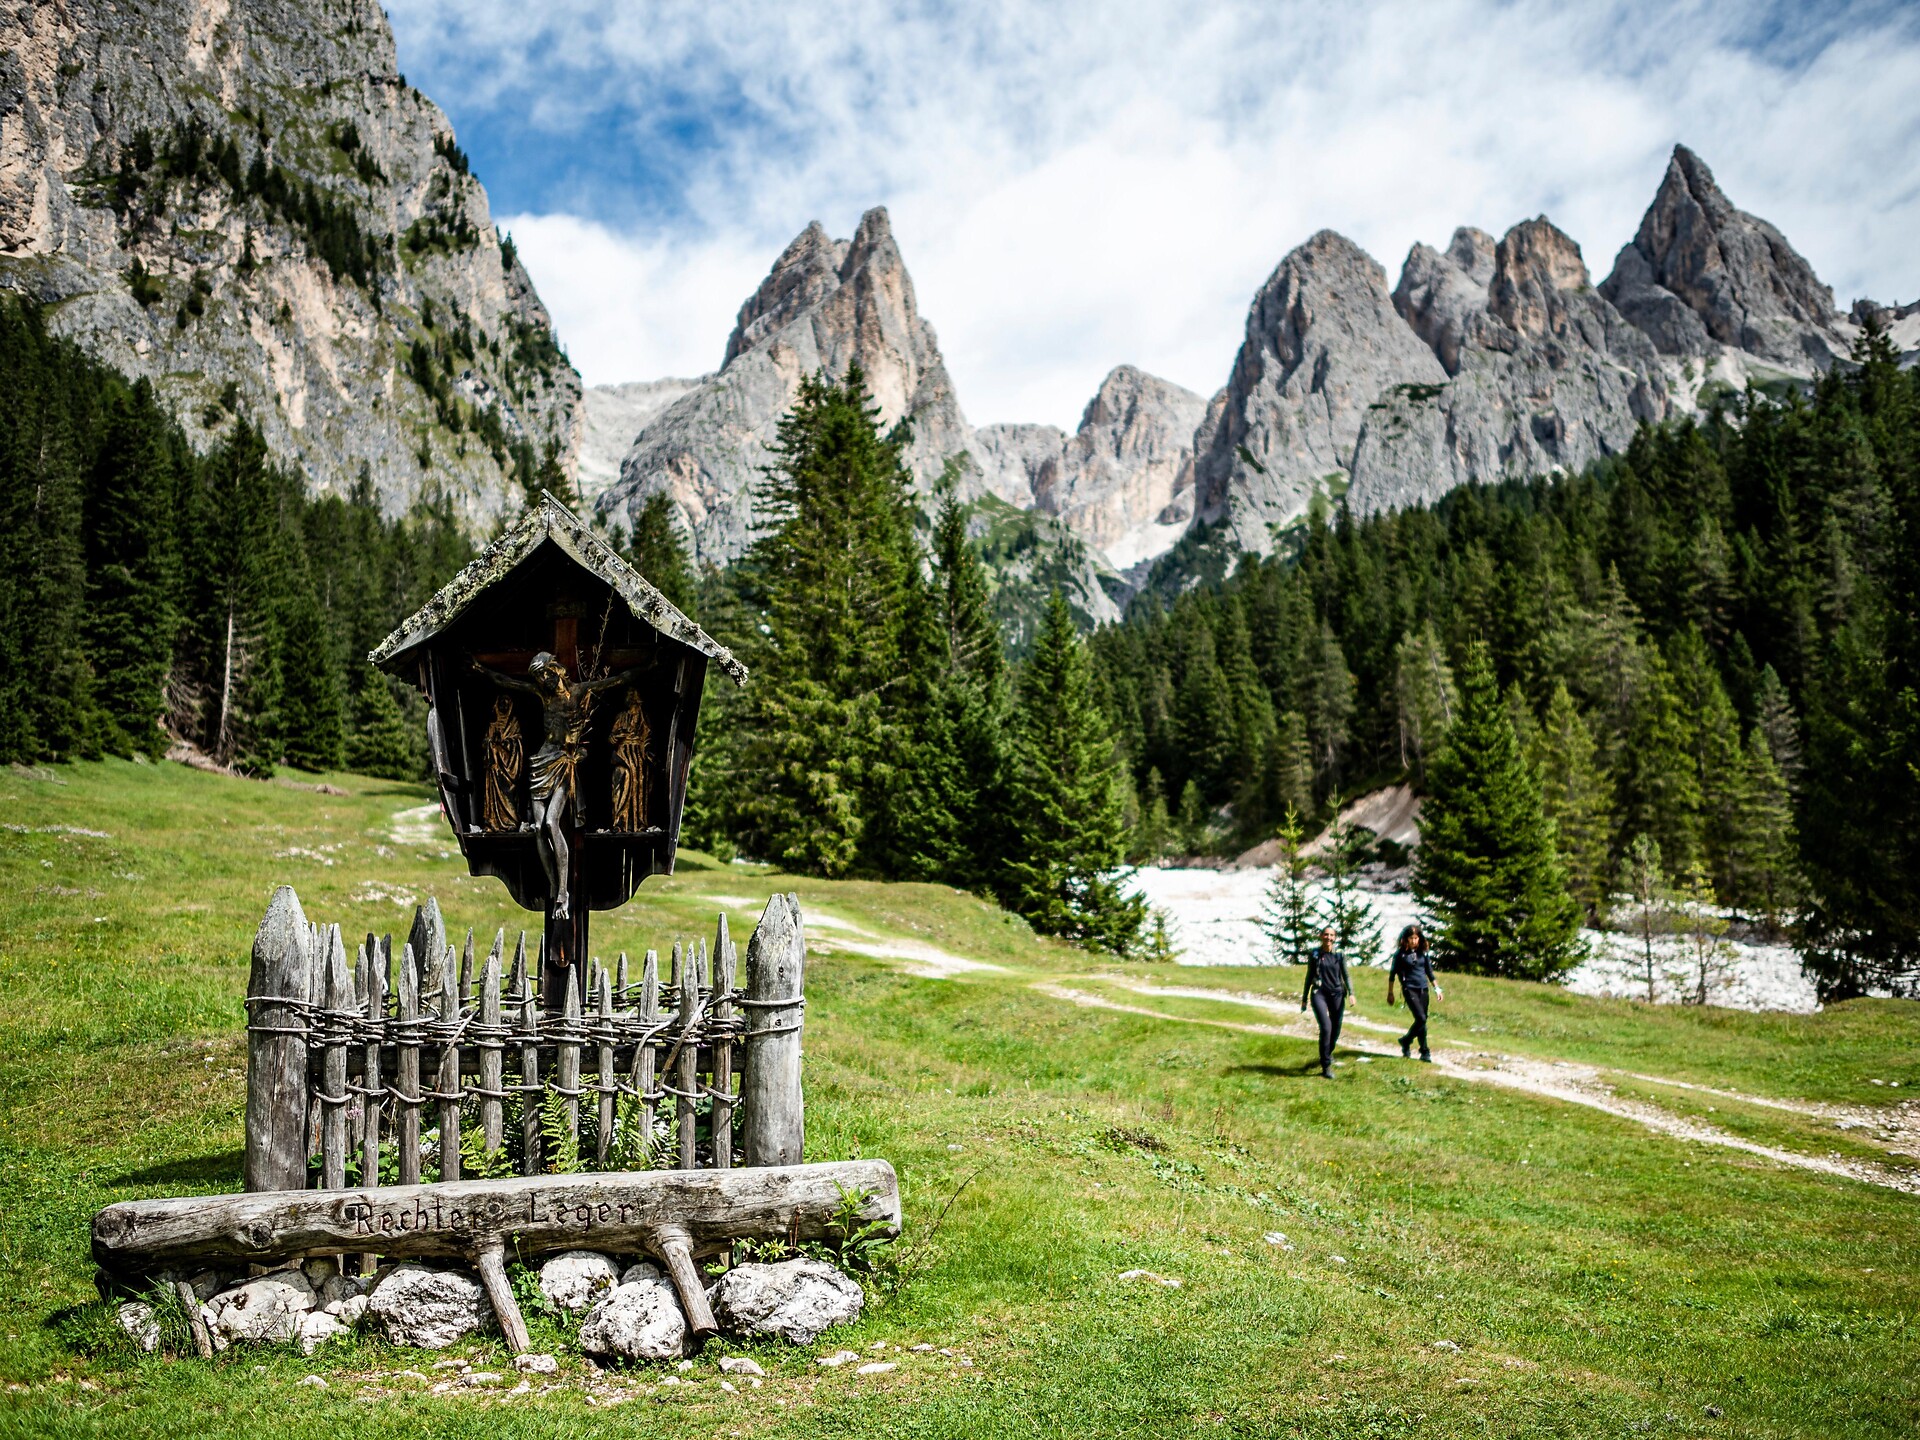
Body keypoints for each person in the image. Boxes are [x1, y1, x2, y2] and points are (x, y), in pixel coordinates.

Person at [1298, 926, 1351, 1079]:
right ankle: (1326, 1065)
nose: (1328, 938)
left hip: (1337, 994)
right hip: (1319, 994)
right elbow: (1309, 976)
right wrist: (1304, 999)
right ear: (1321, 936)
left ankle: (1328, 1052)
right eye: (1326, 935)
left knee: (1336, 1027)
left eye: (1331, 935)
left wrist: (1351, 993)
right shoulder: (1315, 954)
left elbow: (1346, 976)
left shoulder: (1339, 955)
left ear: (1335, 938)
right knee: (1326, 1027)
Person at [1385, 923, 1442, 1062]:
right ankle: (1415, 1045)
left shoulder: (1423, 954)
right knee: (1421, 1018)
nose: (1413, 941)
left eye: (1416, 938)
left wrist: (1437, 989)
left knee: (1421, 1021)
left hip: (1423, 989)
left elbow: (1429, 972)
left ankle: (1420, 1050)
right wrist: (1390, 993)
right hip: (1409, 989)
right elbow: (1392, 974)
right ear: (1405, 939)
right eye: (1411, 938)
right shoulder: (1400, 955)